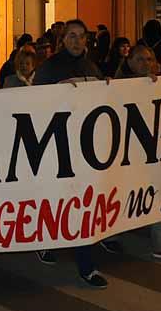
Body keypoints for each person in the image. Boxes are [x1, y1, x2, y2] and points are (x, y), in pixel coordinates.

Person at [31, 20, 110, 288]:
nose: (77, 41)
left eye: (81, 36)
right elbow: (34, 105)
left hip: (86, 150)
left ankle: (86, 265)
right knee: (57, 200)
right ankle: (44, 240)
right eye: (72, 36)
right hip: (58, 146)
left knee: (83, 203)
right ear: (62, 40)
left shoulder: (92, 67)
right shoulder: (49, 68)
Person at [101, 43, 161, 261]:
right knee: (120, 192)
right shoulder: (116, 83)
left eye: (149, 59)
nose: (145, 64)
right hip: (121, 150)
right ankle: (110, 234)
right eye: (140, 59)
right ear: (129, 61)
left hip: (146, 150)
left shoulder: (153, 83)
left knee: (154, 190)